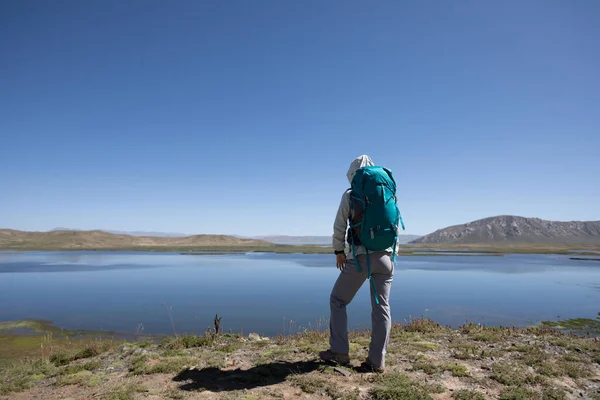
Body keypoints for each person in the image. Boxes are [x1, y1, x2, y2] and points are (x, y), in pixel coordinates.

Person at [319, 154, 396, 373]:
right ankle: (377, 362)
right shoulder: (387, 193)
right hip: (386, 258)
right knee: (382, 309)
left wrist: (339, 251)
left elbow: (340, 224)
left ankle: (339, 352)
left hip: (361, 257)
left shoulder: (352, 194)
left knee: (338, 300)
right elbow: (395, 224)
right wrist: (390, 254)